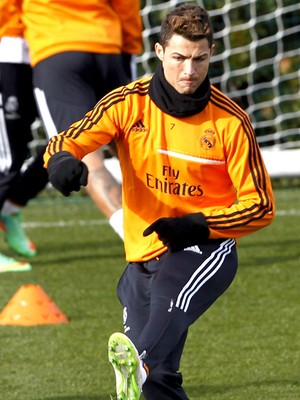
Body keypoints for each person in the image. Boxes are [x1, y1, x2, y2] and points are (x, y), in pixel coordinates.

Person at [43, 4, 275, 399]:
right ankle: (146, 366)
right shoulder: (126, 103)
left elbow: (261, 206)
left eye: (200, 59)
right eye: (180, 57)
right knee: (156, 386)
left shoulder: (231, 121)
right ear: (160, 52)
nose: (190, 70)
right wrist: (62, 162)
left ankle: (141, 358)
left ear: (211, 54)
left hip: (207, 245)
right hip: (143, 252)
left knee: (164, 309)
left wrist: (198, 225)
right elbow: (66, 140)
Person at [21, 0, 143, 241]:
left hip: (55, 48)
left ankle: (138, 240)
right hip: (108, 48)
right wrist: (128, 43)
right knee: (134, 150)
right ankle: (179, 222)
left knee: (85, 157)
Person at [0, 0, 36, 271]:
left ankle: (10, 208)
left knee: (67, 142)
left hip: (49, 50)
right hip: (7, 50)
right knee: (7, 158)